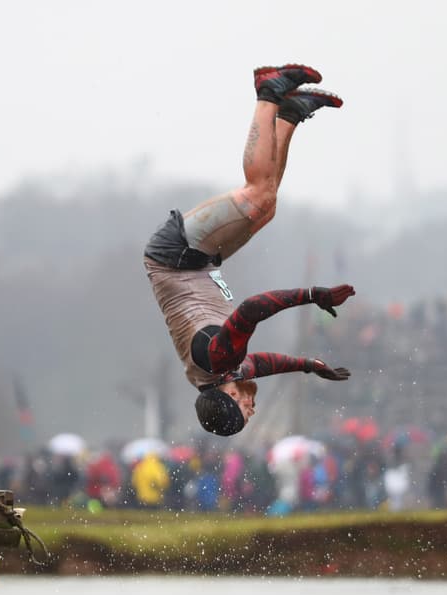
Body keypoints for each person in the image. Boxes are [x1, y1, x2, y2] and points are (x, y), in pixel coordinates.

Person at [143, 63, 355, 436]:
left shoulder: (218, 358)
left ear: (227, 396)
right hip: (199, 259)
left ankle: (267, 94)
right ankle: (289, 115)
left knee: (256, 196)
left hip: (176, 254)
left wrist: (312, 295)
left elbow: (252, 309)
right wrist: (308, 365)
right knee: (267, 206)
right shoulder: (224, 371)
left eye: (243, 410)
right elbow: (265, 363)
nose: (252, 408)